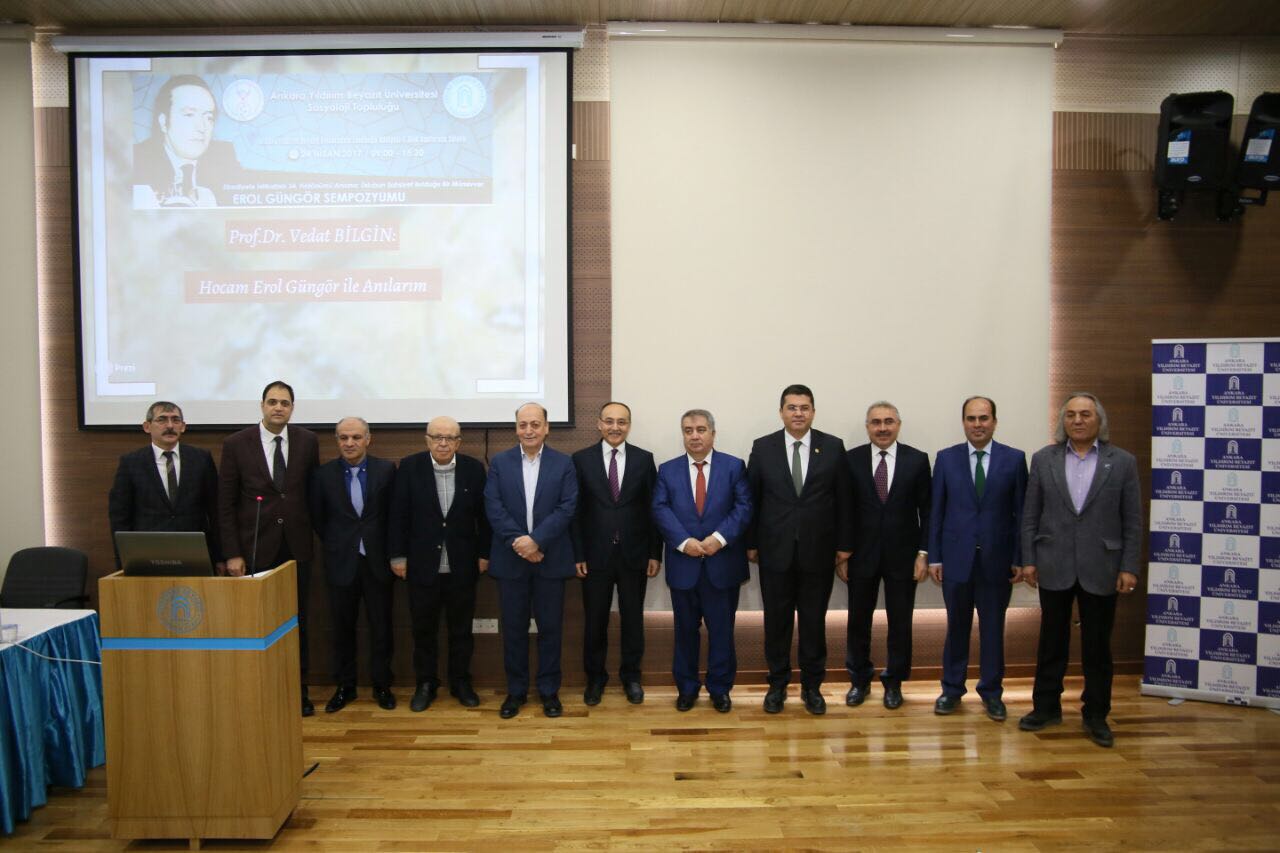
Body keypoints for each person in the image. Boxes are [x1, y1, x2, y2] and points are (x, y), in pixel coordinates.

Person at [1019, 392, 1143, 748]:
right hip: (1053, 563)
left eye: (1085, 414)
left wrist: (1129, 566)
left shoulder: (1122, 462)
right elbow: (1031, 514)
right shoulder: (1044, 459)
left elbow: (1132, 520)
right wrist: (1029, 560)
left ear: (1098, 420)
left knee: (1097, 647)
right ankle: (1045, 708)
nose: (1077, 420)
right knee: (1051, 643)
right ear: (1063, 421)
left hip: (1102, 566)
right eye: (1071, 414)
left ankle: (1096, 715)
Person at [747, 384, 853, 715]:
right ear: (781, 412)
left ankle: (812, 687)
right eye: (792, 407)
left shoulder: (832, 447)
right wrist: (751, 543)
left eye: (804, 407)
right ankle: (777, 685)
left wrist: (845, 545)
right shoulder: (763, 447)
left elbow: (845, 500)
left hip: (818, 552)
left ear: (813, 412)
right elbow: (752, 498)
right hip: (774, 551)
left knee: (813, 623)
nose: (798, 413)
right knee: (776, 623)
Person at [219, 380, 320, 715]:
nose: (279, 408)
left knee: (297, 622)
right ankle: (257, 691)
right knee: (255, 622)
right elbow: (225, 503)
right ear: (262, 405)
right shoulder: (237, 444)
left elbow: (311, 492)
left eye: (285, 403)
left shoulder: (307, 441)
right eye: (273, 402)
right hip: (254, 549)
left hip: (297, 548)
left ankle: (298, 691)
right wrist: (232, 553)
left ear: (292, 408)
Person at [928, 397, 1027, 722]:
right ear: (963, 422)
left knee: (993, 630)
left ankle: (992, 693)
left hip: (998, 561)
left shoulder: (1014, 459)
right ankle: (951, 689)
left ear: (994, 421)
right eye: (971, 418)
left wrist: (1019, 557)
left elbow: (1021, 514)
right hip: (956, 560)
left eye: (984, 418)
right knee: (956, 628)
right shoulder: (946, 458)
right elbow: (936, 512)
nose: (977, 424)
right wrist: (935, 557)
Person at [653, 409, 753, 712]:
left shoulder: (734, 466)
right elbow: (659, 509)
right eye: (688, 430)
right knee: (685, 632)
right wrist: (685, 543)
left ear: (712, 433)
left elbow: (744, 507)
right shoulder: (667, 470)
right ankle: (686, 688)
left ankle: (720, 689)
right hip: (684, 566)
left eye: (700, 429)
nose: (694, 436)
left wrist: (718, 539)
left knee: (722, 632)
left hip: (722, 565)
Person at [389, 416, 491, 711]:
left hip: (463, 566)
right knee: (424, 631)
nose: (443, 443)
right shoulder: (410, 467)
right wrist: (397, 556)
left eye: (449, 438)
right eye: (437, 437)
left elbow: (484, 517)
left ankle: (461, 682)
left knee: (461, 631)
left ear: (458, 442)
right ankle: (426, 683)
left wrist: (484, 554)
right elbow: (398, 515)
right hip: (422, 566)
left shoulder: (473, 469)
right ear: (427, 440)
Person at [484, 403, 578, 719]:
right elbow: (493, 507)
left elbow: (567, 507)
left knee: (551, 629)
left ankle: (549, 691)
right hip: (511, 560)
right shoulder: (500, 462)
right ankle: (516, 691)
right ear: (516, 429)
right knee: (513, 630)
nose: (529, 430)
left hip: (550, 559)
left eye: (535, 424)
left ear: (546, 428)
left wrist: (536, 540)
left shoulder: (564, 463)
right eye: (523, 424)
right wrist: (521, 543)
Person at [571, 402, 663, 706]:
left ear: (629, 425)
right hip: (594, 557)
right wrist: (578, 553)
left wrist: (655, 553)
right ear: (599, 424)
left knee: (633, 620)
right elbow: (575, 512)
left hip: (634, 555)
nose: (615, 427)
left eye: (621, 422)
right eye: (609, 421)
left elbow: (653, 510)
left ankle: (631, 677)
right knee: (595, 621)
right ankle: (595, 679)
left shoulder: (644, 459)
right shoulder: (580, 460)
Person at [842, 401, 931, 710]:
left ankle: (894, 682)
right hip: (860, 556)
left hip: (903, 557)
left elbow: (927, 511)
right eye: (876, 422)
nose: (882, 428)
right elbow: (843, 511)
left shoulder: (917, 460)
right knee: (858, 622)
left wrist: (923, 554)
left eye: (888, 421)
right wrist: (842, 555)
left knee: (900, 623)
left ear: (898, 425)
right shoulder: (850, 460)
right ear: (867, 427)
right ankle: (859, 680)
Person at [309, 417, 397, 713]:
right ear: (337, 440)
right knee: (342, 628)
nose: (350, 443)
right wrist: (341, 543)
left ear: (368, 439)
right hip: (340, 562)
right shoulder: (322, 475)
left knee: (381, 627)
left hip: (377, 562)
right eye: (344, 438)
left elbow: (393, 515)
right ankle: (345, 686)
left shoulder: (386, 470)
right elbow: (319, 519)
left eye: (356, 437)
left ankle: (382, 685)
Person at [107, 401, 223, 571]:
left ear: (183, 426)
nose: (170, 426)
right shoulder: (131, 463)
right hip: (147, 555)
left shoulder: (201, 459)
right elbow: (119, 516)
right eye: (162, 420)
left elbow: (215, 511)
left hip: (195, 554)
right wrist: (124, 559)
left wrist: (220, 557)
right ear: (147, 427)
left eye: (175, 420)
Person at [132, 74, 243, 208]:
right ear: (163, 122)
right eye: (189, 115)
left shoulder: (223, 156)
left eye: (208, 118)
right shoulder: (137, 159)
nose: (201, 127)